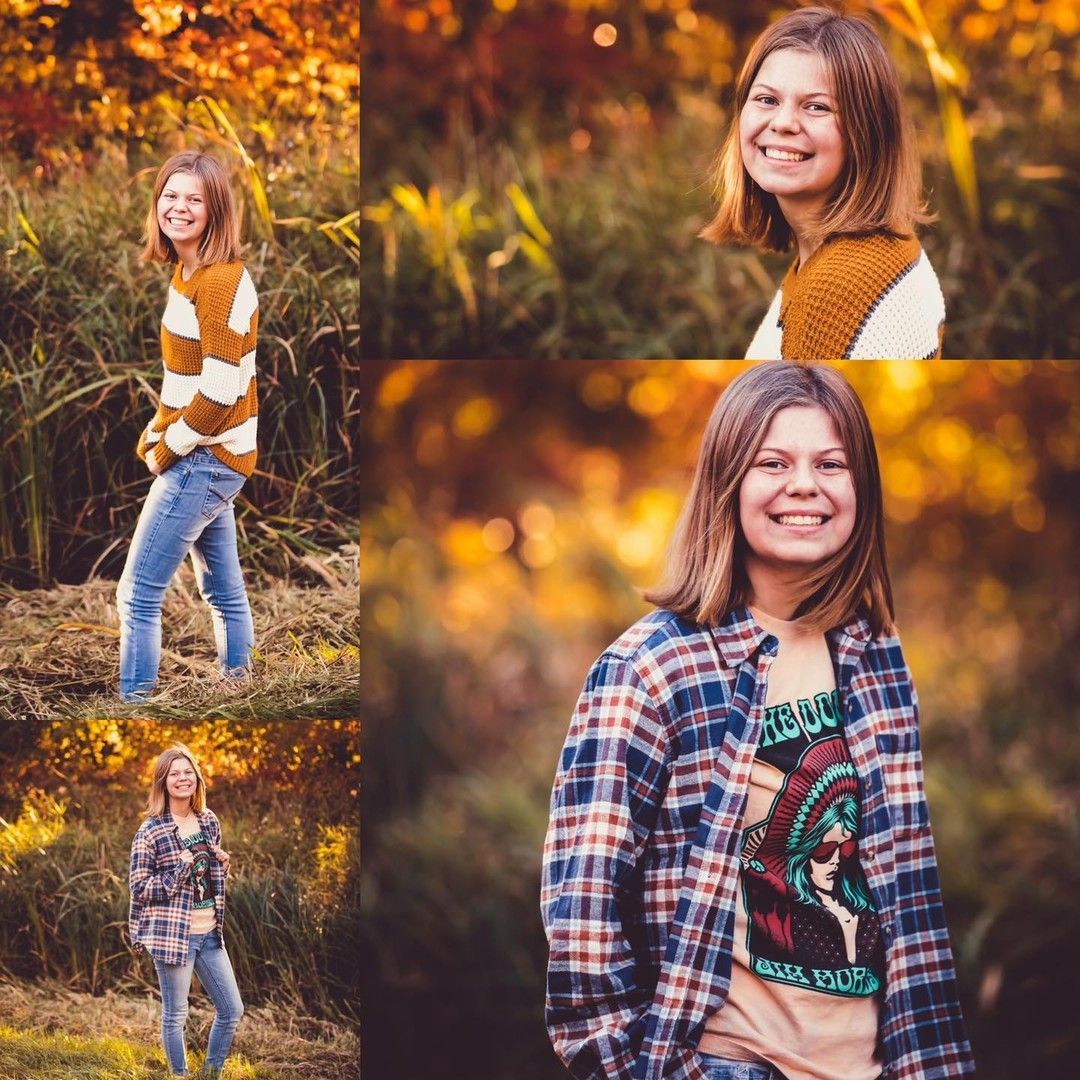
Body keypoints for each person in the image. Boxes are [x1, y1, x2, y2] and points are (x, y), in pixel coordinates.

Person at [541, 362, 974, 1080]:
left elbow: (901, 885)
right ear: (727, 482)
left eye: (830, 463)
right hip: (731, 1063)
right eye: (773, 463)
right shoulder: (650, 669)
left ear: (861, 488)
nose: (804, 485)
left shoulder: (874, 652)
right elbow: (584, 910)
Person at [700, 8, 946, 360]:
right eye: (767, 100)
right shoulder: (869, 249)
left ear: (868, 132)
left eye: (816, 107)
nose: (783, 122)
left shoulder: (834, 289)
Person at [117, 149, 259, 701]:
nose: (178, 207)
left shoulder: (219, 281)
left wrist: (168, 448)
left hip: (205, 458)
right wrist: (157, 428)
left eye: (194, 199)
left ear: (215, 210)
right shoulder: (188, 272)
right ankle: (240, 688)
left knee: (137, 594)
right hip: (213, 453)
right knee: (223, 591)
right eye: (170, 196)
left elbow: (220, 391)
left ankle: (135, 704)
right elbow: (187, 377)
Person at [129, 743, 244, 1077]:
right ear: (163, 782)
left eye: (187, 772)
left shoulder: (208, 821)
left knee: (232, 1010)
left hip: (210, 934)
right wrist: (178, 870)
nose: (182, 778)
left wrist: (222, 865)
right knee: (176, 1016)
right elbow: (139, 888)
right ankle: (179, 1075)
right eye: (174, 774)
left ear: (197, 777)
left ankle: (210, 1074)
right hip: (173, 937)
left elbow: (205, 878)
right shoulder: (150, 831)